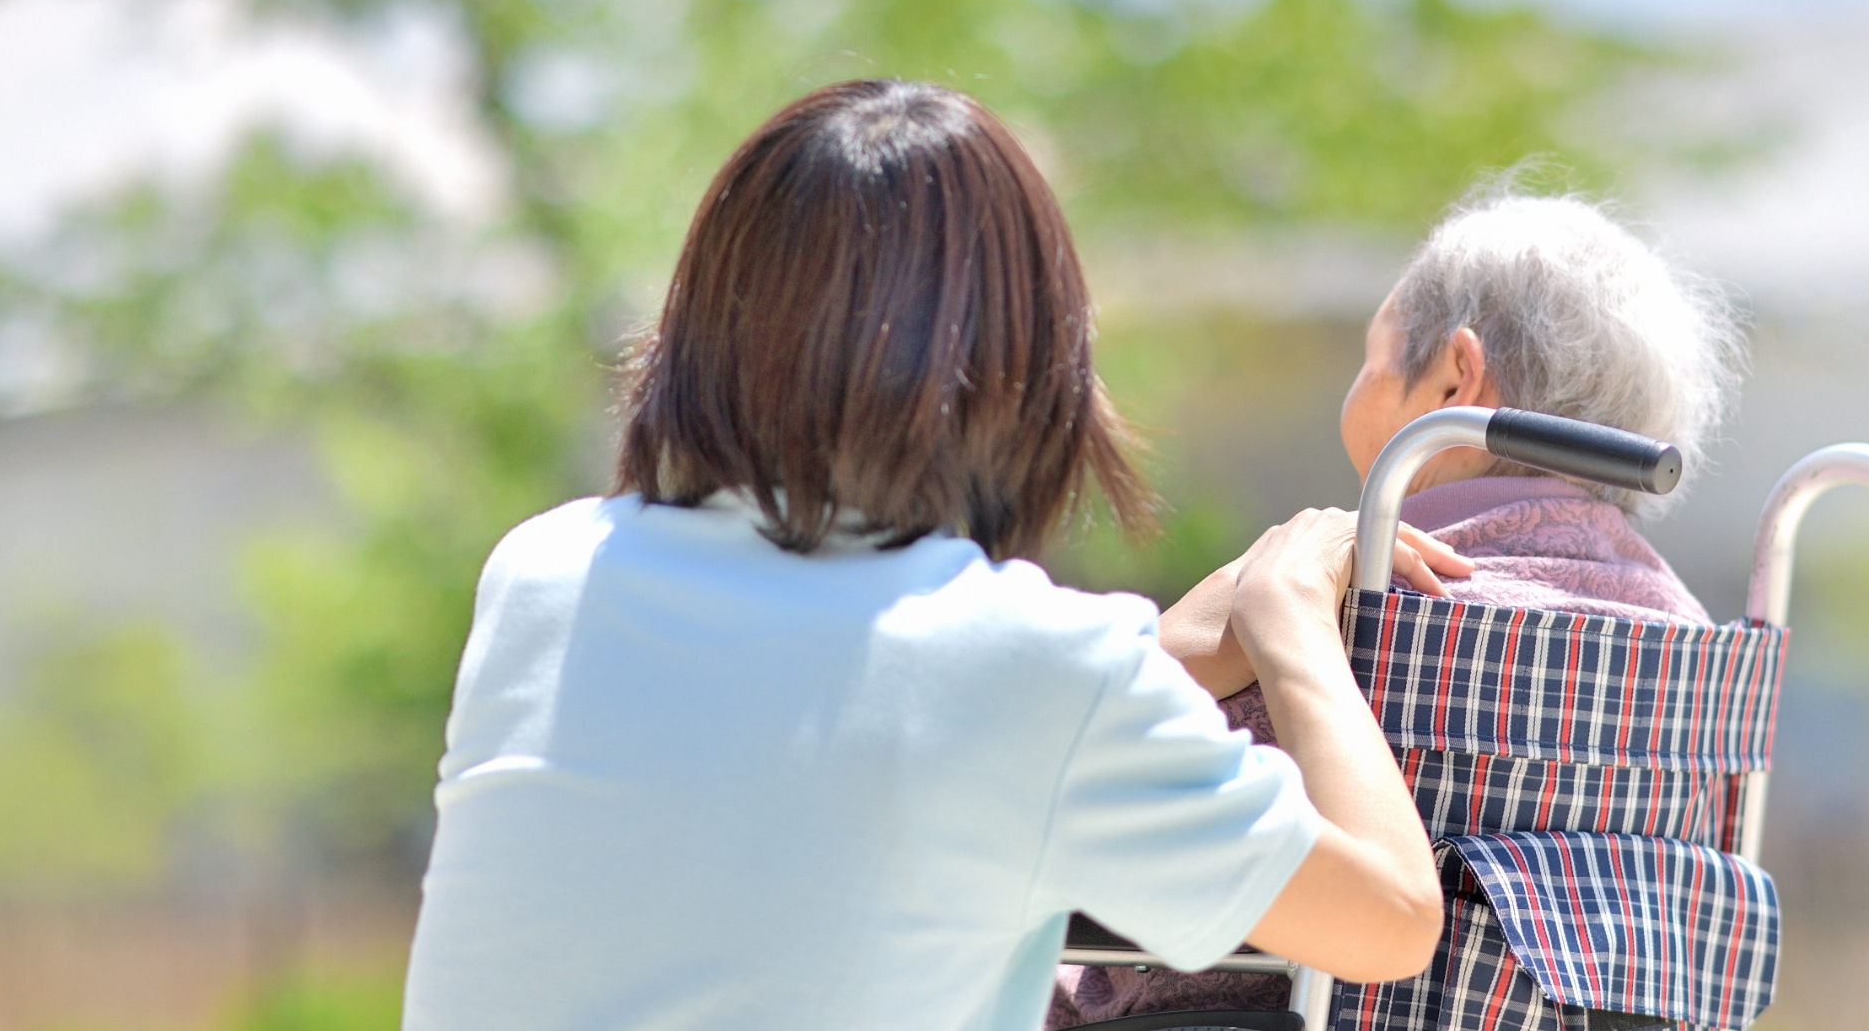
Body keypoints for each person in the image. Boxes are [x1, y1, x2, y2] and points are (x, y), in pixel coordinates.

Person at [400, 79, 1467, 1031]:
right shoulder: (1033, 670)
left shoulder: (542, 573)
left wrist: (1155, 649)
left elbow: (829, 722)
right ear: (1020, 370)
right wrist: (1287, 617)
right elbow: (1391, 917)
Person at [1054, 190, 1745, 1027]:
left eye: (1371, 357)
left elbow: (1072, 767)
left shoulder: (1347, 603)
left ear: (1458, 372)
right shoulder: (1697, 653)